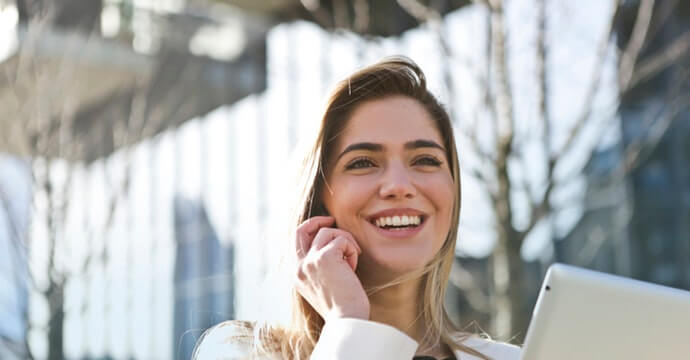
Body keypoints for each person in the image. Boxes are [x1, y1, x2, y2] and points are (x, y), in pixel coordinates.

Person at [193, 57, 521, 360]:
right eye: (363, 162)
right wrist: (347, 326)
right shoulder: (239, 353)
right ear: (319, 199)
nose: (400, 185)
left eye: (425, 160)